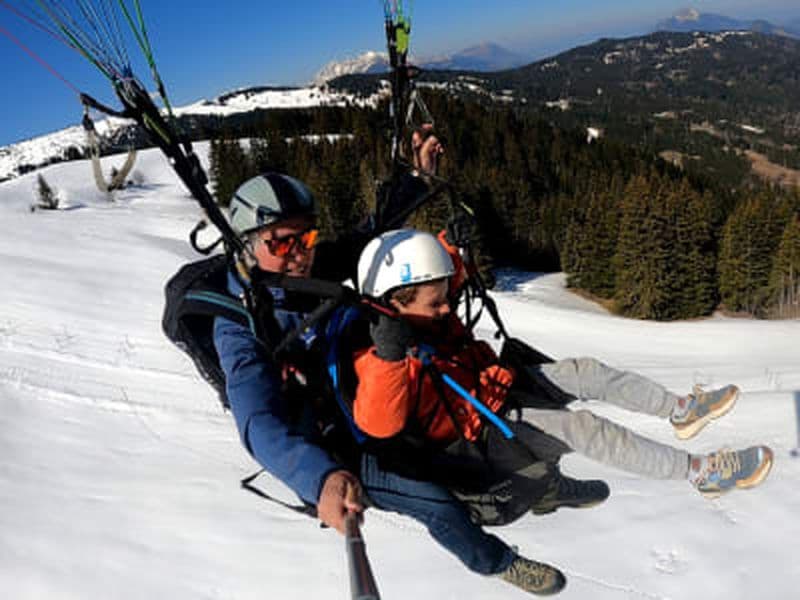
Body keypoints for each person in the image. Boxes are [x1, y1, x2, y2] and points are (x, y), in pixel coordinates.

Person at [353, 227, 775, 592]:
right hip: (481, 433)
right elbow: (378, 423)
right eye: (436, 303)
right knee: (584, 428)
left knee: (586, 372)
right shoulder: (384, 359)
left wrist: (450, 244)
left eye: (445, 297)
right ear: (395, 305)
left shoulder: (424, 310)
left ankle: (681, 410)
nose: (447, 308)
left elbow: (445, 276)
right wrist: (389, 358)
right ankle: (702, 472)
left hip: (493, 389)